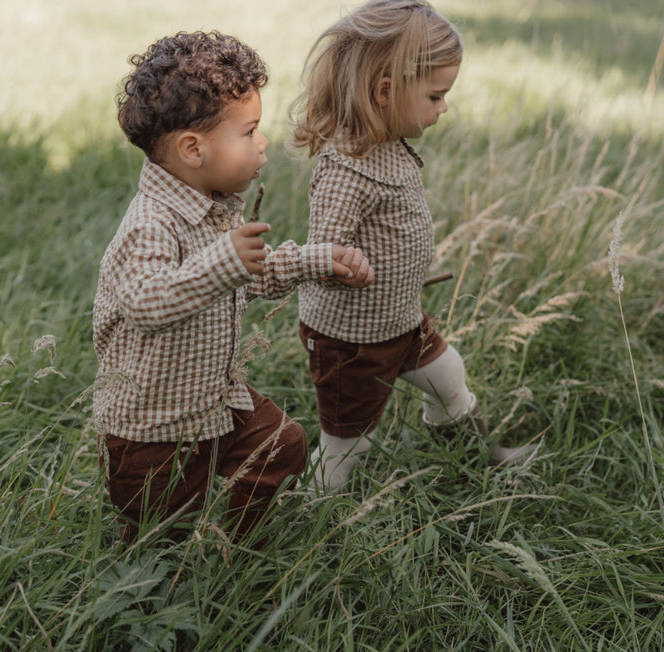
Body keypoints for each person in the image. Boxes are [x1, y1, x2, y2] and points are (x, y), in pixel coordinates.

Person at [93, 31, 373, 544]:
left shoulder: (214, 205)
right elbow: (146, 303)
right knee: (158, 538)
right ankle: (165, 588)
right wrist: (223, 262)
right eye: (249, 132)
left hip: (212, 401)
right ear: (193, 149)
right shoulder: (151, 223)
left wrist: (318, 259)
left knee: (280, 445)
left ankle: (235, 547)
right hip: (151, 428)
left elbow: (251, 272)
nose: (262, 143)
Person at [291, 0, 529, 493]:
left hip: (399, 320)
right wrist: (341, 265)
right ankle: (309, 514)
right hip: (351, 339)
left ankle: (472, 464)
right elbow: (320, 253)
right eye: (436, 96)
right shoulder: (346, 168)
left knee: (448, 376)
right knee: (348, 443)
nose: (444, 107)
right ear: (385, 92)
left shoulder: (388, 144)